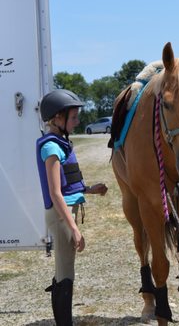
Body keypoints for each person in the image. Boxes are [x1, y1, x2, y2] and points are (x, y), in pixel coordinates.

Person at [36, 89, 108, 325]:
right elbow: (56, 193)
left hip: (64, 212)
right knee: (66, 273)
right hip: (60, 215)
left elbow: (65, 187)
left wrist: (88, 189)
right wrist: (74, 229)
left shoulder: (59, 143)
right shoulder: (51, 148)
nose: (78, 122)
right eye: (74, 117)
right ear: (58, 117)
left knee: (64, 270)